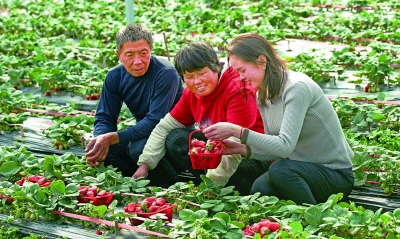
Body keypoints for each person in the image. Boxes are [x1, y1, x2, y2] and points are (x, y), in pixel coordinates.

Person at [202, 33, 354, 205]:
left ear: (262, 61)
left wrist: (236, 131)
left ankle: (314, 217)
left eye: (243, 70)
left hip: (335, 174)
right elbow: (274, 148)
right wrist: (241, 148)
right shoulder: (262, 94)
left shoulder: (296, 88)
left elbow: (284, 148)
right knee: (261, 188)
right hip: (301, 169)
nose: (241, 77)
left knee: (280, 170)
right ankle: (292, 222)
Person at [133, 41, 270, 195]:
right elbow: (164, 127)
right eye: (189, 76)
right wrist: (145, 164)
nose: (197, 82)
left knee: (236, 174)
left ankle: (215, 188)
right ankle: (204, 184)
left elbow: (233, 145)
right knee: (175, 138)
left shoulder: (237, 88)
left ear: (216, 67)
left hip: (253, 157)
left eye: (201, 73)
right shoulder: (190, 94)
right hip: (217, 153)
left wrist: (210, 187)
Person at [85, 24, 184, 187]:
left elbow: (155, 120)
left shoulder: (165, 73)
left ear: (151, 50)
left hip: (173, 133)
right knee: (102, 151)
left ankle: (173, 184)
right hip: (144, 132)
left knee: (139, 149)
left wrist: (114, 137)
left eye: (143, 53)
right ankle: (138, 181)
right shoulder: (114, 77)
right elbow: (104, 117)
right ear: (119, 55)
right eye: (130, 54)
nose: (138, 61)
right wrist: (100, 140)